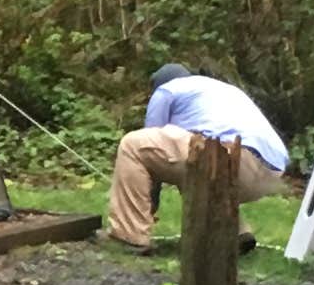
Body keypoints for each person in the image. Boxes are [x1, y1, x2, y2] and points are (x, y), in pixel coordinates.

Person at [108, 63, 294, 250]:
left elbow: (149, 149)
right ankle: (234, 233)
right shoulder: (221, 89)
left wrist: (150, 203)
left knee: (133, 145)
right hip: (270, 172)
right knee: (191, 164)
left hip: (231, 159)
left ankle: (128, 236)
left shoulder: (167, 90)